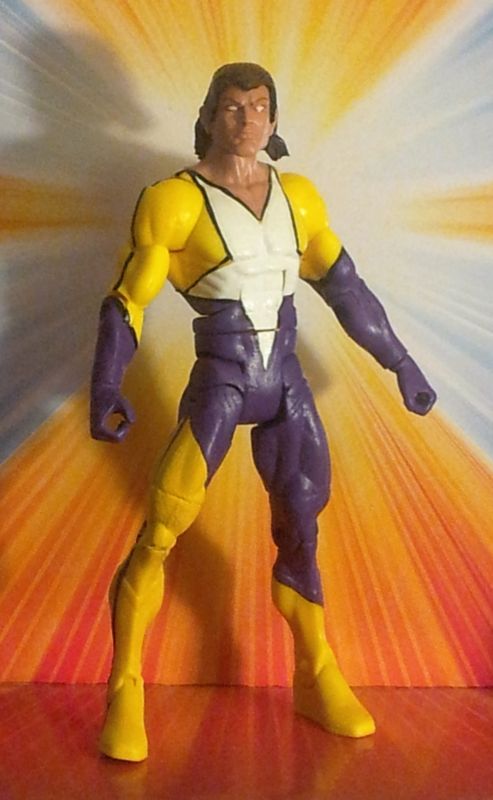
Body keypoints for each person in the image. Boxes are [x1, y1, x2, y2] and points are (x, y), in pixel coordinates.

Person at [91, 63, 436, 762]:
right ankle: (124, 684)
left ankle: (315, 671)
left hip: (283, 380)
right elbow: (129, 298)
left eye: (258, 107)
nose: (246, 119)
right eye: (231, 106)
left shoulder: (298, 198)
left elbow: (346, 289)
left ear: (273, 119)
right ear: (208, 116)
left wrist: (401, 362)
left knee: (302, 525)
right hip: (222, 379)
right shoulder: (174, 201)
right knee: (163, 528)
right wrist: (105, 383)